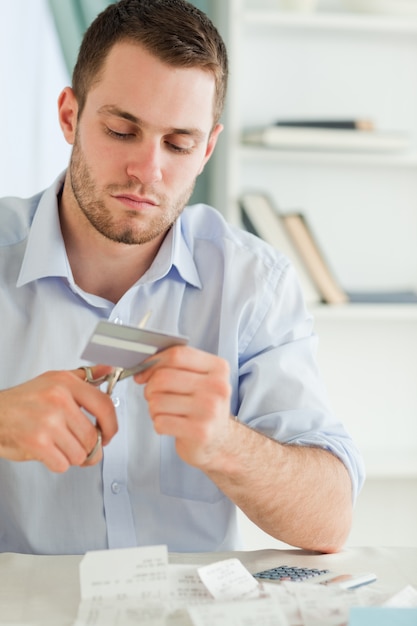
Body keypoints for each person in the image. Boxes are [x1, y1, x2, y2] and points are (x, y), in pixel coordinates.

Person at [0, 0, 364, 556]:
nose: (147, 172)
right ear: (70, 116)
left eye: (178, 144)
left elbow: (331, 520)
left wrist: (225, 442)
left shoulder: (252, 283)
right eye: (122, 130)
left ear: (208, 149)